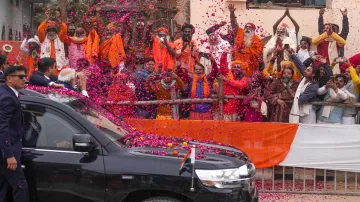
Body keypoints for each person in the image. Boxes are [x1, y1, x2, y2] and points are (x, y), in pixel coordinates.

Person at [0, 65, 29, 202]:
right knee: (20, 186)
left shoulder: (6, 92)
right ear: (10, 78)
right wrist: (9, 155)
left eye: (25, 76)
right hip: (7, 153)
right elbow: (2, 127)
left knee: (4, 189)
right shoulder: (8, 98)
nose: (25, 79)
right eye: (21, 76)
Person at [228, 4, 262, 76]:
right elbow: (234, 25)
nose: (247, 29)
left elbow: (258, 53)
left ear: (253, 30)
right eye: (246, 27)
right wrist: (232, 13)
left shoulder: (257, 39)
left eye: (250, 28)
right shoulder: (240, 32)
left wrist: (246, 51)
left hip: (249, 68)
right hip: (237, 66)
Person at [215, 54, 249, 121]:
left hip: (233, 108)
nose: (236, 68)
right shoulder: (228, 74)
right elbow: (223, 65)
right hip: (221, 106)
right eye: (234, 66)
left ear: (242, 69)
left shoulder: (244, 78)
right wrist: (224, 55)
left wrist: (227, 80)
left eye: (238, 67)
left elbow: (241, 85)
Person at [289, 52, 320, 124]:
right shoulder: (305, 78)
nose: (305, 71)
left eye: (308, 70)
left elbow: (301, 100)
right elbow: (300, 65)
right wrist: (292, 54)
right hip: (300, 111)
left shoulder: (313, 86)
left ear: (313, 74)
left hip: (308, 114)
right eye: (306, 69)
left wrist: (294, 95)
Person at [342, 58, 360, 125]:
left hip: (349, 117)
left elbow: (357, 80)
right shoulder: (343, 83)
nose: (346, 72)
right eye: (345, 71)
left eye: (349, 72)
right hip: (338, 114)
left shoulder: (356, 84)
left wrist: (349, 65)